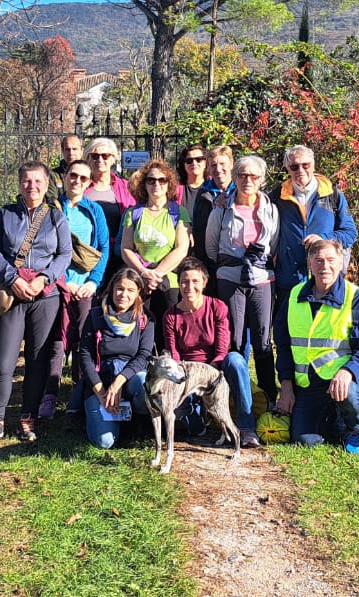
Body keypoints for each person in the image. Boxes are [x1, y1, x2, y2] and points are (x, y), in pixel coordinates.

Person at [0, 162, 72, 446]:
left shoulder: (56, 217)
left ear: (47, 184)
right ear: (19, 184)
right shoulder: (4, 214)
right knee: (3, 360)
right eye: (26, 181)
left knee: (37, 360)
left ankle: (27, 416)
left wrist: (44, 279)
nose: (32, 186)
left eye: (38, 181)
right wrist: (12, 279)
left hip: (45, 297)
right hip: (12, 294)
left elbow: (64, 253)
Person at [273, 238, 359, 453]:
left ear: (341, 262)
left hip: (343, 382)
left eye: (331, 260)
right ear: (309, 263)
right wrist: (285, 386)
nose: (325, 266)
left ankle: (354, 427)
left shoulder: (355, 297)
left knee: (348, 391)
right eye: (319, 260)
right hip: (308, 385)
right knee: (305, 440)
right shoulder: (294, 296)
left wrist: (349, 371)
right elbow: (283, 345)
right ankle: (334, 421)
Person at [204, 154, 280, 402]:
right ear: (235, 178)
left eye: (253, 176)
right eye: (243, 175)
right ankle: (234, 397)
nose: (248, 180)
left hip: (261, 279)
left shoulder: (270, 209)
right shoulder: (221, 210)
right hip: (230, 278)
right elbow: (211, 248)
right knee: (234, 339)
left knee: (262, 341)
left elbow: (274, 245)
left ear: (261, 179)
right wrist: (231, 265)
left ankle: (268, 397)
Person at [161, 257, 260, 447]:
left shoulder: (217, 307)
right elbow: (173, 353)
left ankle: (247, 427)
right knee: (194, 428)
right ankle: (196, 417)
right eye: (184, 281)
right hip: (187, 373)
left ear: (204, 283)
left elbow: (222, 348)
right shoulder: (171, 316)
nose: (189, 286)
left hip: (216, 367)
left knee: (236, 360)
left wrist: (209, 373)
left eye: (195, 281)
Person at [48, 160, 110, 421]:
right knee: (56, 341)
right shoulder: (52, 208)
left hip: (85, 287)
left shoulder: (94, 211)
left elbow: (104, 248)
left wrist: (93, 282)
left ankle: (78, 393)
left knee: (84, 341)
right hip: (57, 283)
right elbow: (46, 249)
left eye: (84, 178)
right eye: (73, 175)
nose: (77, 181)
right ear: (65, 176)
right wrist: (63, 280)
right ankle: (49, 395)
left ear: (89, 183)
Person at [271, 144, 358, 317]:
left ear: (313, 165)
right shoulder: (276, 197)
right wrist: (225, 200)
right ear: (287, 169)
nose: (300, 170)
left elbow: (350, 233)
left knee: (325, 331)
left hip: (326, 278)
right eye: (294, 166)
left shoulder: (333, 195)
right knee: (288, 333)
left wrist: (323, 238)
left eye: (306, 165)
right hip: (290, 279)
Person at [77, 269, 155, 449]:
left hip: (130, 378)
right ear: (112, 289)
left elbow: (144, 356)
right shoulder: (95, 316)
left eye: (130, 290)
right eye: (120, 289)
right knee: (104, 442)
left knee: (145, 384)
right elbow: (85, 356)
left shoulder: (146, 320)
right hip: (100, 381)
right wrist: (102, 392)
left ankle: (135, 421)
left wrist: (119, 381)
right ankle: (95, 415)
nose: (124, 294)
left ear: (138, 293)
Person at [120, 157, 190, 336]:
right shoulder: (133, 213)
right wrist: (144, 273)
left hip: (169, 281)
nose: (156, 184)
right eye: (151, 180)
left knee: (167, 333)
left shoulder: (178, 212)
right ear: (144, 184)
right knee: (141, 331)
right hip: (140, 279)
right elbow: (126, 248)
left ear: (169, 183)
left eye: (162, 180)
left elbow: (182, 248)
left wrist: (156, 274)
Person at [83, 137, 135, 280]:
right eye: (95, 156)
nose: (100, 160)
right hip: (89, 253)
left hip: (119, 254)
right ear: (88, 159)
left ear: (113, 159)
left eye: (105, 156)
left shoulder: (126, 187)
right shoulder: (81, 187)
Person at [191, 145, 235, 267]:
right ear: (209, 168)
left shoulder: (241, 192)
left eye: (222, 164)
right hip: (208, 262)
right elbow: (198, 230)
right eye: (213, 165)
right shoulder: (203, 193)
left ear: (231, 164)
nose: (218, 169)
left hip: (235, 261)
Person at [174, 143, 208, 208]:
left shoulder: (213, 187)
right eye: (189, 160)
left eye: (199, 159)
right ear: (183, 165)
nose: (194, 163)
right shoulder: (175, 190)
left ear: (205, 163)